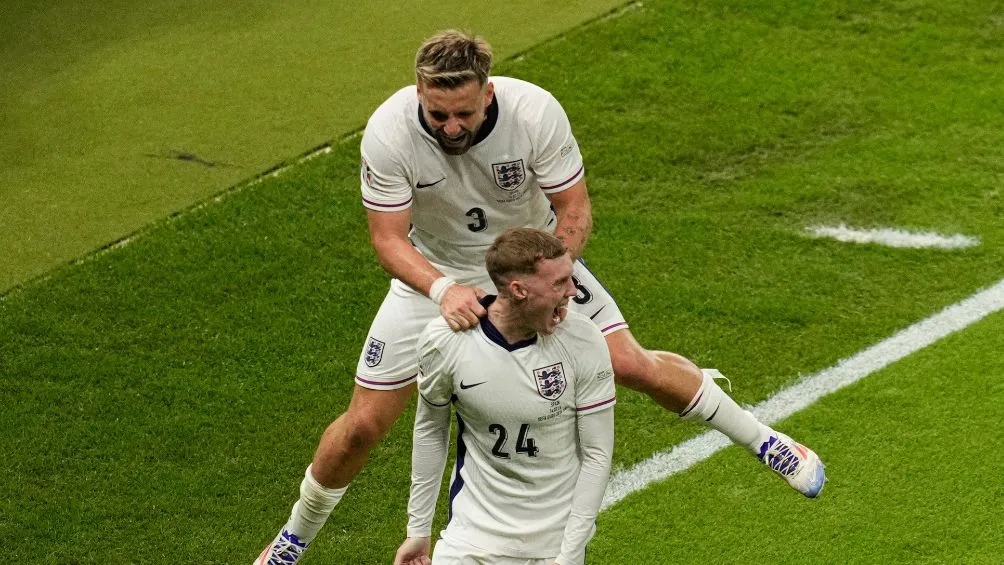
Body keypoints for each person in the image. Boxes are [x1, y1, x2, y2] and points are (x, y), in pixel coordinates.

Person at [255, 29, 825, 565]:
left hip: (535, 261)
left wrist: (553, 284)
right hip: (434, 276)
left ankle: (766, 441)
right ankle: (291, 541)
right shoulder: (389, 131)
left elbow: (574, 211)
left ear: (489, 93)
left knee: (632, 363)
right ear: (419, 94)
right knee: (361, 428)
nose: (451, 127)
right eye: (438, 114)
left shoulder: (534, 113)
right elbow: (387, 239)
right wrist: (443, 287)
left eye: (465, 113)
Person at [393, 227, 615, 565]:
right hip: (470, 540)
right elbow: (429, 429)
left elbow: (597, 455)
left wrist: (569, 557)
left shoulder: (583, 341)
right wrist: (418, 530)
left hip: (551, 547)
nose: (573, 291)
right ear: (519, 290)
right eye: (559, 283)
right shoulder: (446, 341)